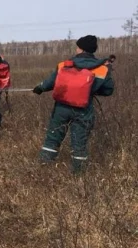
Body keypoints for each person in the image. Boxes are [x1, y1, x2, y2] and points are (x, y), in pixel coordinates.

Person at [32, 35, 114, 174]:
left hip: (61, 108)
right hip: (84, 109)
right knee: (79, 143)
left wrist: (39, 88)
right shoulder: (102, 68)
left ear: (81, 49)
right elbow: (108, 90)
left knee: (53, 138)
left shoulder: (64, 64)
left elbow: (49, 83)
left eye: (77, 46)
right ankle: (78, 176)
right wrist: (90, 90)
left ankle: (43, 170)